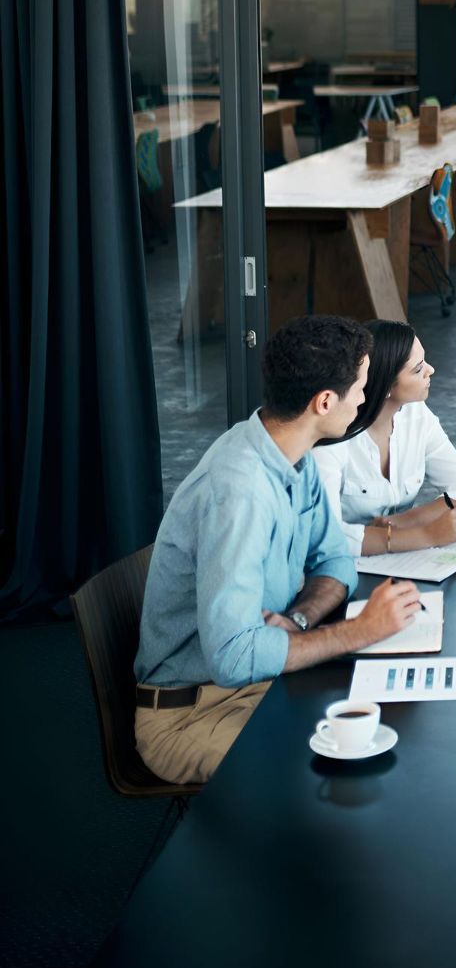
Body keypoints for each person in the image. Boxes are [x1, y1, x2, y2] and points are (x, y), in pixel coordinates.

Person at [134, 315, 424, 785]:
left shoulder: (290, 452)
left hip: (259, 680)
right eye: (360, 389)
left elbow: (334, 561)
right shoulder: (240, 493)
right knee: (342, 769)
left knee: (389, 734)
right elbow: (232, 658)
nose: (366, 400)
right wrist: (359, 632)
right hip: (194, 713)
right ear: (325, 401)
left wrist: (301, 620)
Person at [313, 319, 456, 557]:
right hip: (340, 569)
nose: (431, 370)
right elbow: (327, 538)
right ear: (386, 385)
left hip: (402, 563)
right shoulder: (334, 436)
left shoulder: (416, 414)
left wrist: (404, 520)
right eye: (418, 368)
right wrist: (427, 534)